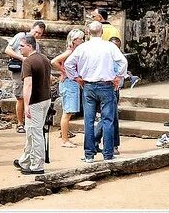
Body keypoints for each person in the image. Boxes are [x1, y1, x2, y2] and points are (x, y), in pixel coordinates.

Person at [64, 22, 126, 162]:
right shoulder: (109, 46)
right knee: (108, 120)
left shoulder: (82, 48)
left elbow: (68, 64)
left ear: (88, 32)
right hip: (106, 85)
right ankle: (108, 153)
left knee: (89, 121)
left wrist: (76, 77)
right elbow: (123, 62)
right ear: (101, 32)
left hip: (88, 86)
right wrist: (118, 77)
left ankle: (89, 154)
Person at [13, 34, 53, 175]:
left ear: (29, 46)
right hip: (45, 99)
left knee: (35, 133)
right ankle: (25, 160)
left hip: (35, 101)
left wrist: (26, 106)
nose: (20, 49)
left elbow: (28, 84)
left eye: (22, 46)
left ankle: (37, 165)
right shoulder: (44, 59)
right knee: (33, 131)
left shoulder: (28, 62)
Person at [1, 21, 45, 133]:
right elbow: (7, 50)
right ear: (32, 28)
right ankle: (20, 123)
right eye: (36, 32)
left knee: (31, 95)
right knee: (20, 97)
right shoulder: (21, 36)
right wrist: (21, 58)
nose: (37, 35)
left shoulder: (36, 45)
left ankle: (30, 121)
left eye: (39, 33)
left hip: (30, 71)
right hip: (18, 69)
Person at [51, 30, 85, 147]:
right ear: (74, 40)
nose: (82, 41)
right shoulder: (70, 52)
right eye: (80, 39)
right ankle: (64, 139)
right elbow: (54, 61)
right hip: (68, 83)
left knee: (69, 112)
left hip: (72, 82)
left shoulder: (75, 51)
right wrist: (64, 71)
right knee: (67, 112)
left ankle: (65, 136)